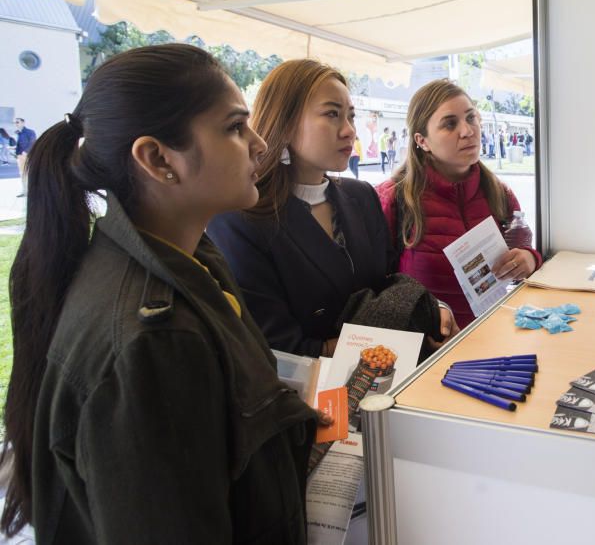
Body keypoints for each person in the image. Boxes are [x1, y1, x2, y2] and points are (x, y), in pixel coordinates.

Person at [1, 44, 321, 543]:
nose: (260, 144)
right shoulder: (154, 341)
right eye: (235, 128)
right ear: (156, 158)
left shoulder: (189, 262)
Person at [207, 60, 457, 359]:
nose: (349, 131)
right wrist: (379, 342)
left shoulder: (361, 196)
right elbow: (276, 345)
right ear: (284, 124)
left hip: (393, 375)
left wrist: (432, 308)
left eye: (351, 116)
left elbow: (390, 282)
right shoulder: (240, 218)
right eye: (332, 114)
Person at [376, 79, 542, 328]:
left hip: (493, 336)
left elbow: (523, 255)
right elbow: (372, 288)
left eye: (471, 118)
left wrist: (529, 260)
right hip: (426, 351)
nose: (467, 131)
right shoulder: (394, 198)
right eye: (449, 124)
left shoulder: (499, 193)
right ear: (422, 141)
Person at [13, 117, 36, 197]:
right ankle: (25, 191)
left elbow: (32, 142)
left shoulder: (29, 132)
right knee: (22, 174)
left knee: (29, 172)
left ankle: (32, 190)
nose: (16, 124)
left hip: (27, 155)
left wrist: (25, 152)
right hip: (20, 156)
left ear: (23, 123)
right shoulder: (17, 133)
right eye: (15, 122)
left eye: (17, 122)